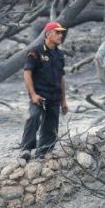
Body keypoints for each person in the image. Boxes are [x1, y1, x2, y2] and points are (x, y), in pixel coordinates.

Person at [21, 21, 68, 158]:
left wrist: (63, 101)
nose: (61, 35)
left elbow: (61, 78)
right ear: (48, 34)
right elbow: (27, 73)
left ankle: (43, 154)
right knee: (34, 117)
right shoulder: (35, 52)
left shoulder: (60, 55)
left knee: (51, 128)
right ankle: (26, 149)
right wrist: (33, 95)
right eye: (57, 32)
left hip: (55, 97)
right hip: (39, 95)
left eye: (61, 33)